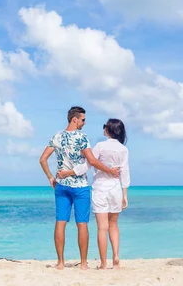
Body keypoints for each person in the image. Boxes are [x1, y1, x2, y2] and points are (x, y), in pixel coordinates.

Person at [39, 106, 119, 270]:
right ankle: (83, 264)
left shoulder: (57, 136)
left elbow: (42, 159)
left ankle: (60, 263)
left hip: (61, 186)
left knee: (61, 222)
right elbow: (92, 161)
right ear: (74, 119)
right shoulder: (82, 138)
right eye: (83, 119)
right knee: (82, 224)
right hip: (80, 186)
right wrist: (110, 171)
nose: (84, 122)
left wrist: (50, 178)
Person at [57, 118, 130, 270]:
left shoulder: (100, 146)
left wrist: (68, 172)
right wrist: (125, 194)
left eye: (105, 126)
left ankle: (103, 264)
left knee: (102, 228)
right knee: (114, 226)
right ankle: (116, 256)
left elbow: (87, 165)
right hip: (116, 189)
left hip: (101, 189)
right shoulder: (124, 150)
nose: (103, 128)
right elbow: (125, 173)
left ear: (109, 130)